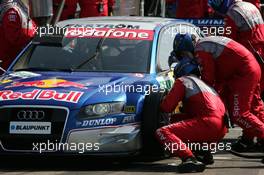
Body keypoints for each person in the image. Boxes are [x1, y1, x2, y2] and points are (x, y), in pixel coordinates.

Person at [172, 33, 264, 152]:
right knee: (253, 108)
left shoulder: (200, 50)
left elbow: (208, 78)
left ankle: (258, 137)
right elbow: (218, 78)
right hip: (249, 68)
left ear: (187, 48)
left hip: (243, 73)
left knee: (240, 114)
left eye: (183, 54)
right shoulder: (205, 43)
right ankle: (247, 140)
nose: (185, 58)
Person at [156, 57, 227, 173]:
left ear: (180, 72)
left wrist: (162, 99)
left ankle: (189, 158)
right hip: (221, 128)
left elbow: (166, 107)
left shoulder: (183, 81)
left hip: (208, 123)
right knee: (175, 120)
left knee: (162, 131)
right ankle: (202, 152)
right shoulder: (205, 84)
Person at [208, 0, 264, 93]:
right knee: (257, 90)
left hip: (251, 52)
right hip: (260, 48)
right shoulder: (249, 5)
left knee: (249, 90)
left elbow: (227, 43)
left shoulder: (232, 13)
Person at [0, 0, 36, 69]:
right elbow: (13, 38)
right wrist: (32, 40)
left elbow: (34, 28)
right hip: (9, 64)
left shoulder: (21, 7)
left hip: (20, 61)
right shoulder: (11, 10)